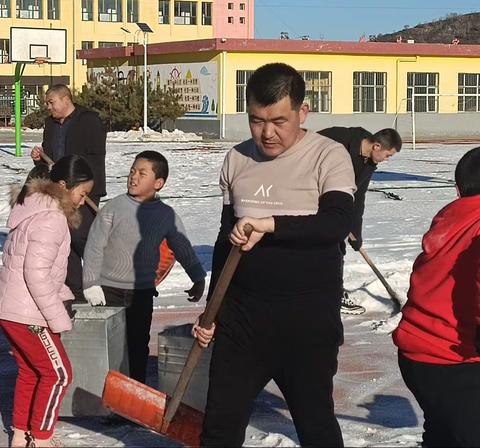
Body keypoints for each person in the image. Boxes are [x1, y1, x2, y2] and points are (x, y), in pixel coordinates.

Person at [193, 63, 356, 447]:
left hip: (307, 321)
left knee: (315, 425)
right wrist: (212, 310)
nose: (267, 133)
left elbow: (335, 224)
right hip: (242, 320)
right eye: (256, 120)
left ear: (303, 112)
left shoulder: (328, 156)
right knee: (218, 426)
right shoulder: (236, 159)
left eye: (279, 120)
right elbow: (224, 240)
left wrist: (271, 225)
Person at [82, 150, 206, 383]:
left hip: (142, 292)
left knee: (138, 345)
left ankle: (135, 394)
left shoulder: (166, 215)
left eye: (142, 173)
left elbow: (182, 247)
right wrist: (90, 283)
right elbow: (94, 246)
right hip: (108, 291)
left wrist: (198, 278)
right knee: (111, 347)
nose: (133, 177)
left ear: (158, 183)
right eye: (132, 171)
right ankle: (108, 400)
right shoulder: (114, 207)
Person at [0, 155, 94, 448]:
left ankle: (21, 434)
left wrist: (62, 293)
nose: (83, 201)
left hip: (13, 308)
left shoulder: (34, 210)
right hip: (28, 314)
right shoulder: (52, 219)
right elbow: (36, 276)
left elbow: (37, 272)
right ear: (65, 186)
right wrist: (57, 318)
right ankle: (40, 438)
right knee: (58, 374)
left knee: (32, 371)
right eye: (82, 193)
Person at [392, 147, 480, 447]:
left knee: (442, 434)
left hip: (416, 355)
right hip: (454, 359)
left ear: (458, 190)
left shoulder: (450, 220)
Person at [30, 84, 107, 302]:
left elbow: (96, 155)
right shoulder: (50, 124)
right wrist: (39, 157)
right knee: (66, 237)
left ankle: (101, 279)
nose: (48, 107)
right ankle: (75, 290)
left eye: (51, 101)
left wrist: (77, 176)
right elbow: (49, 151)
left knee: (81, 235)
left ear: (66, 99)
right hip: (60, 189)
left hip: (84, 189)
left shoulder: (88, 120)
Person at [319, 126, 402, 315]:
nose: (387, 160)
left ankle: (333, 294)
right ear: (377, 146)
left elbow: (358, 197)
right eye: (388, 155)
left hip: (334, 206)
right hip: (309, 198)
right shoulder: (339, 139)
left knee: (337, 246)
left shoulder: (369, 164)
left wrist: (356, 232)